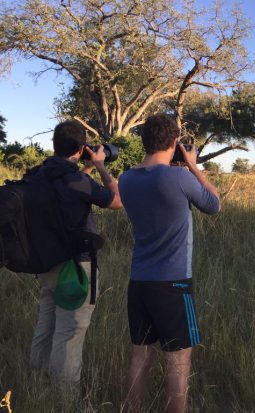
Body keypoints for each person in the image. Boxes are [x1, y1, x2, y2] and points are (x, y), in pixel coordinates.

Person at [119, 114, 220, 412]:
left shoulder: (126, 178)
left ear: (144, 141)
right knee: (178, 361)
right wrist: (192, 165)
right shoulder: (179, 177)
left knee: (139, 356)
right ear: (175, 142)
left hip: (139, 282)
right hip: (173, 284)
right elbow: (215, 205)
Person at [29, 121, 122, 385]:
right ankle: (64, 398)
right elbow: (116, 201)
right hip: (75, 267)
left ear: (54, 145)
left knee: (46, 325)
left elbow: (69, 186)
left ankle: (35, 383)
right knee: (69, 332)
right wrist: (101, 165)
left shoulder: (39, 174)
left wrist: (87, 166)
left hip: (46, 263)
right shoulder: (77, 180)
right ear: (81, 149)